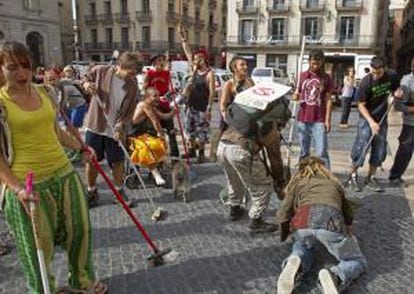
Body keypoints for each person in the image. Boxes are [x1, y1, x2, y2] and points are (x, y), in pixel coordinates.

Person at [0, 41, 107, 293]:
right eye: (12, 67)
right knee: (38, 247)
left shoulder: (45, 92)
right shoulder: (1, 103)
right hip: (28, 186)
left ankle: (82, 281)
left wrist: (82, 148)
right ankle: (44, 289)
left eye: (25, 66)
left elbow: (57, 132)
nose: (21, 73)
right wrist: (17, 190)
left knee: (79, 232)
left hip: (64, 174)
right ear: (1, 69)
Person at [276, 157, 366, 294]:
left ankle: (297, 261)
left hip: (303, 221)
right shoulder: (333, 184)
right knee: (356, 260)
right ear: (323, 170)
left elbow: (283, 211)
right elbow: (347, 210)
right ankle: (336, 275)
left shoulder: (298, 182)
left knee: (303, 245)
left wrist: (285, 234)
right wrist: (347, 228)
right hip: (330, 220)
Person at [217, 55, 285, 233]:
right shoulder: (229, 85)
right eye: (241, 65)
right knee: (262, 185)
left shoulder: (251, 83)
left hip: (223, 145)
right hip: (240, 141)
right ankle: (256, 220)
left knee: (234, 178)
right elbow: (275, 158)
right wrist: (279, 181)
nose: (245, 67)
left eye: (246, 64)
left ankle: (235, 208)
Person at [82, 51, 139, 207]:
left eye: (135, 73)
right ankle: (91, 191)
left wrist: (121, 126)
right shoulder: (101, 71)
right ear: (119, 66)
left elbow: (129, 111)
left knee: (118, 162)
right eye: (130, 72)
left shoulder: (133, 86)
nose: (132, 76)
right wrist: (87, 85)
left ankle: (119, 191)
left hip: (115, 128)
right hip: (96, 125)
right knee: (92, 161)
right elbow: (85, 78)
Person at [348, 56, 403, 192]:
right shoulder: (366, 82)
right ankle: (352, 176)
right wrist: (372, 123)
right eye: (373, 72)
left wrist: (397, 92)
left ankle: (370, 177)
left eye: (379, 73)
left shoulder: (392, 75)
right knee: (362, 144)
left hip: (382, 117)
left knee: (379, 147)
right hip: (366, 118)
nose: (376, 75)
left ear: (384, 69)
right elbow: (360, 105)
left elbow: (397, 88)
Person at [179, 26, 216, 163]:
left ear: (204, 59)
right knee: (189, 129)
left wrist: (209, 108)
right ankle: (191, 151)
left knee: (202, 131)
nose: (196, 60)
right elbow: (188, 52)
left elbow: (212, 91)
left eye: (199, 58)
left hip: (202, 107)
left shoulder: (209, 73)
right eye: (195, 58)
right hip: (190, 106)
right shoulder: (192, 69)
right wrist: (184, 40)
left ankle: (201, 153)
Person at [292, 49, 333, 169]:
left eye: (317, 63)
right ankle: (302, 173)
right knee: (304, 151)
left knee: (321, 151)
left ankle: (326, 176)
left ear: (322, 62)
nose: (315, 66)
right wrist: (295, 96)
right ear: (309, 61)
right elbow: (297, 94)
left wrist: (327, 120)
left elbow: (329, 99)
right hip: (303, 118)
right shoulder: (302, 76)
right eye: (312, 63)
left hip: (319, 119)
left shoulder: (326, 78)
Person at [130, 88, 174, 186]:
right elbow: (155, 121)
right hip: (133, 134)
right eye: (155, 96)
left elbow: (163, 116)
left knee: (161, 144)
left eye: (158, 95)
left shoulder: (151, 106)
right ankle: (155, 174)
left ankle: (158, 169)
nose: (158, 98)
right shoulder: (144, 105)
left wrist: (174, 111)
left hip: (144, 134)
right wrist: (161, 134)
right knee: (149, 146)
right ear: (147, 97)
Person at [143, 54, 180, 159]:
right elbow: (145, 91)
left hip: (165, 105)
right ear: (154, 62)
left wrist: (171, 95)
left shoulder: (166, 73)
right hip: (154, 106)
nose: (162, 62)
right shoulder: (149, 73)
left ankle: (175, 156)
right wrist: (154, 99)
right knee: (154, 132)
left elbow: (168, 88)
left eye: (163, 60)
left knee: (171, 131)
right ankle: (155, 156)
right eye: (159, 60)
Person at [388, 57, 414, 186]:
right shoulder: (407, 82)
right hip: (410, 124)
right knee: (406, 150)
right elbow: (398, 106)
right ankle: (395, 176)